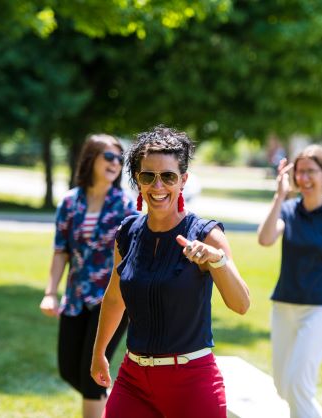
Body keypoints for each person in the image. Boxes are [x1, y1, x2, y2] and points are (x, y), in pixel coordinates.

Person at [90, 125, 250, 418]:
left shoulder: (205, 234)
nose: (158, 186)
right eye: (148, 176)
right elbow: (114, 299)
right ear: (138, 180)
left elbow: (241, 304)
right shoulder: (127, 232)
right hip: (134, 379)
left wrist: (217, 261)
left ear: (183, 180)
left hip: (192, 381)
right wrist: (99, 352)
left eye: (168, 176)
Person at [39, 134, 137, 418]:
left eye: (120, 159)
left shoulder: (124, 204)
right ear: (90, 158)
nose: (116, 163)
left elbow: (135, 253)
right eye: (109, 156)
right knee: (69, 369)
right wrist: (50, 292)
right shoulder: (70, 202)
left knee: (91, 375)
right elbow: (61, 251)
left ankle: (100, 405)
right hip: (76, 298)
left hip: (113, 299)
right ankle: (112, 407)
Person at [257, 144, 322, 418]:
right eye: (299, 172)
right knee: (282, 386)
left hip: (319, 310)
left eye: (311, 172)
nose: (304, 178)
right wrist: (280, 195)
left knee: (298, 385)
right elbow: (265, 239)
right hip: (284, 307)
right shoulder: (288, 211)